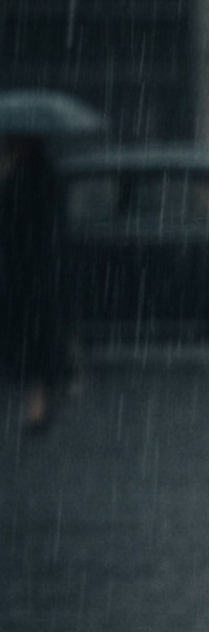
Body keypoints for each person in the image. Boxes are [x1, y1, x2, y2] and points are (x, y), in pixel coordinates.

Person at [0, 135, 73, 434]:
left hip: (29, 274)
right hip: (28, 271)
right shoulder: (41, 175)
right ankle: (43, 400)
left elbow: (22, 223)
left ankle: (38, 410)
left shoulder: (32, 178)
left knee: (32, 343)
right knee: (28, 339)